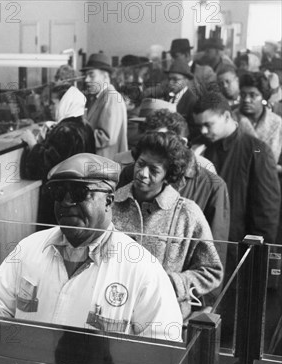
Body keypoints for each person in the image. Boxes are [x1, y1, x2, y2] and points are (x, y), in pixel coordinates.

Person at [0, 153, 183, 342]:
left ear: (109, 201)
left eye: (79, 193)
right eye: (59, 193)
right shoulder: (29, 249)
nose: (67, 202)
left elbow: (161, 351)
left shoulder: (142, 271)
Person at [112, 131, 223, 318]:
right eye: (140, 164)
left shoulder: (187, 214)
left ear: (168, 175)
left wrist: (172, 282)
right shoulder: (110, 203)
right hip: (112, 309)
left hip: (164, 315)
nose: (142, 174)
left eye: (154, 170)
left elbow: (211, 271)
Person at [117, 108, 229, 249]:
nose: (155, 145)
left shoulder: (212, 185)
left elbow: (214, 251)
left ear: (181, 142)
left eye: (163, 139)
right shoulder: (131, 172)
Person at [193, 92, 280, 247]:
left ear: (227, 116)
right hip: (204, 241)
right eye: (199, 126)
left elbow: (266, 212)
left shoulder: (257, 151)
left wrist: (257, 255)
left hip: (238, 246)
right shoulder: (199, 147)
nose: (203, 131)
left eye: (208, 124)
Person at [20, 83, 96, 225]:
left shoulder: (65, 131)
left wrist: (33, 143)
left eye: (54, 102)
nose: (50, 106)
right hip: (79, 198)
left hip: (60, 201)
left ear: (64, 103)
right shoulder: (85, 126)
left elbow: (43, 168)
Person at [82, 53, 128, 159]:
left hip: (105, 164)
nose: (86, 80)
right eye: (86, 75)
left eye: (91, 75)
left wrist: (76, 134)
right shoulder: (100, 98)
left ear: (105, 76)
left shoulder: (111, 97)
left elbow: (106, 137)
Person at [234, 72, 282, 162]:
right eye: (243, 95)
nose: (246, 100)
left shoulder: (276, 122)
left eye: (253, 95)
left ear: (263, 97)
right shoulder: (232, 120)